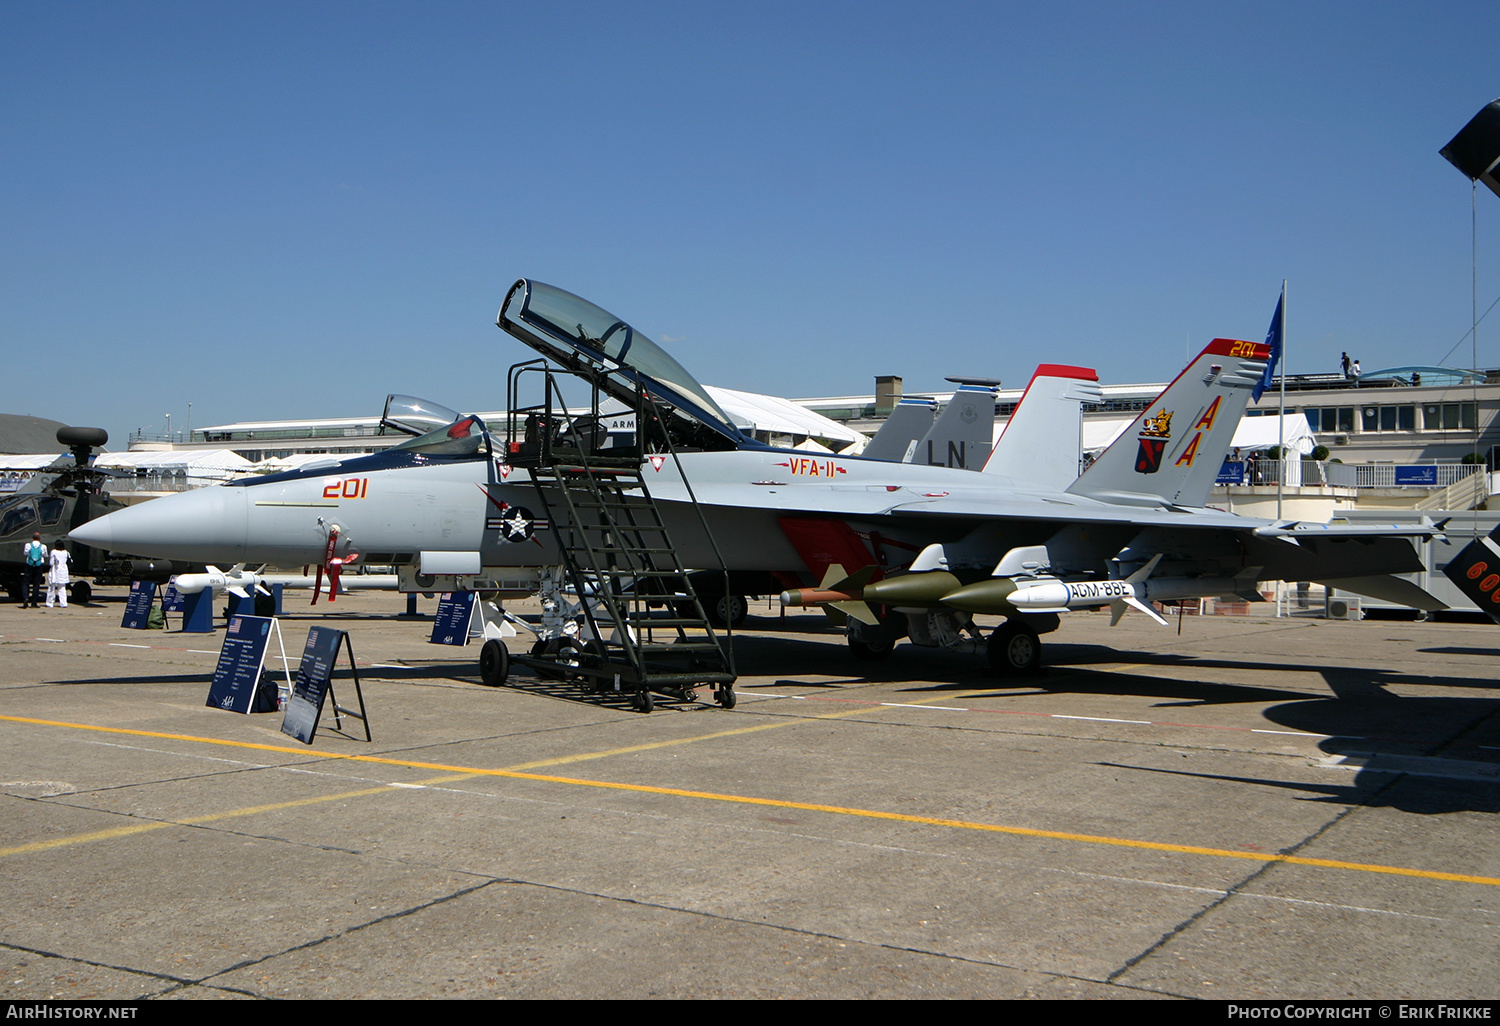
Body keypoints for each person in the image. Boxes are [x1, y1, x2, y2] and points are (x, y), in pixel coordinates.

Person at [21, 531, 46, 608]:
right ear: (39, 538)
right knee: (36, 583)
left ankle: (25, 597)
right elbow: (45, 555)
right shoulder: (43, 546)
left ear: (32, 538)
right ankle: (34, 602)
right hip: (39, 565)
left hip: (29, 564)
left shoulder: (28, 545)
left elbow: (25, 553)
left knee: (26, 582)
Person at [46, 539, 72, 609]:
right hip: (63, 570)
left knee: (52, 587)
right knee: (62, 588)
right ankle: (63, 603)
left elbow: (51, 563)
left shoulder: (53, 552)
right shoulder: (66, 552)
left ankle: (50, 603)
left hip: (55, 570)